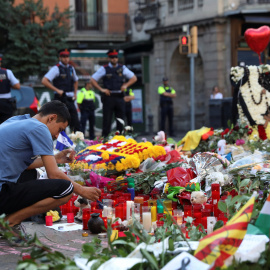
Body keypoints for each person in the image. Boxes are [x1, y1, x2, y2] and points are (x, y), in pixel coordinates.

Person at [0, 100, 101, 233]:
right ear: (51, 118)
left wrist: (56, 159)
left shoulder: (16, 120)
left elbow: (22, 165)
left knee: (31, 174)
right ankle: (9, 223)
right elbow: (53, 174)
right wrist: (82, 190)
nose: (57, 135)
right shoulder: (40, 128)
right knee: (66, 189)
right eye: (59, 129)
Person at [91, 49, 137, 137]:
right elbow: (93, 80)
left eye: (116, 57)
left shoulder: (122, 68)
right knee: (107, 120)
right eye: (112, 57)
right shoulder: (104, 69)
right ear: (109, 58)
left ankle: (120, 139)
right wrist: (102, 89)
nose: (114, 59)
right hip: (109, 96)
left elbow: (134, 78)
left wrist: (126, 85)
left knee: (120, 120)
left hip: (120, 97)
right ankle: (105, 139)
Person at [41, 48, 81, 132]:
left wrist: (75, 93)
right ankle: (60, 143)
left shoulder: (71, 68)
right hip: (60, 99)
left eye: (67, 56)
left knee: (75, 122)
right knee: (60, 123)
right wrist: (57, 90)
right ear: (60, 58)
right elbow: (44, 81)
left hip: (70, 99)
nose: (66, 58)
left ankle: (76, 142)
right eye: (63, 56)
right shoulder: (56, 68)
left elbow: (76, 81)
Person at [0, 55, 20, 124]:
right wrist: (8, 84)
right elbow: (17, 86)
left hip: (6, 103)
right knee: (6, 124)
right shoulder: (7, 72)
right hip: (6, 103)